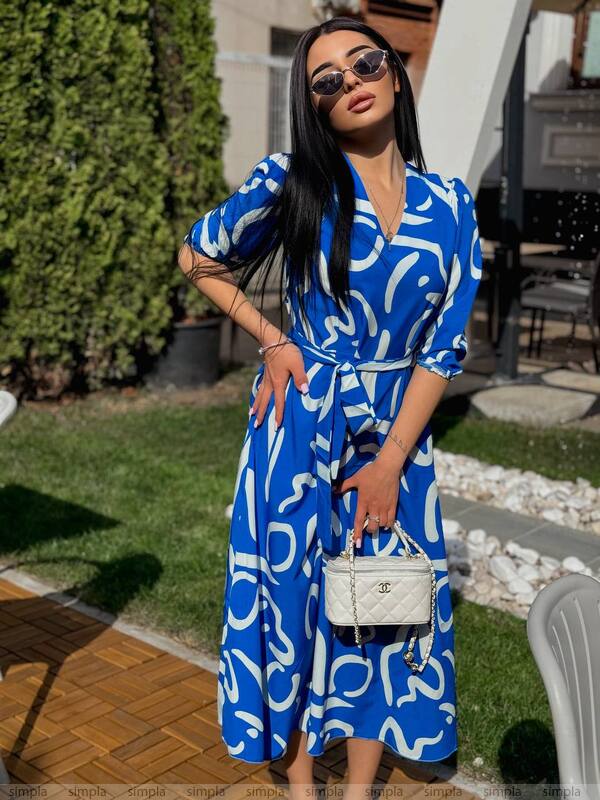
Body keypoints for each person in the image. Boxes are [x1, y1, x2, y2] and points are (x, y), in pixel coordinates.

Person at [178, 15, 482, 799]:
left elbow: (442, 350)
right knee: (293, 606)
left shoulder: (451, 204)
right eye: (326, 79)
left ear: (395, 75)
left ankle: (358, 790)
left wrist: (390, 465)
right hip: (299, 426)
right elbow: (198, 255)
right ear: (313, 103)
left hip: (394, 439)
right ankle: (304, 784)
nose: (350, 81)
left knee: (383, 605)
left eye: (365, 62)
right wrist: (272, 339)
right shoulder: (293, 180)